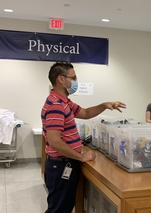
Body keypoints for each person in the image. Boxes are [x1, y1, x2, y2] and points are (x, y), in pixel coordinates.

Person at [41, 62, 126, 213]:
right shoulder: (56, 105)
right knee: (58, 209)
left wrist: (104, 105)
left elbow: (85, 113)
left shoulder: (64, 102)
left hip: (64, 164)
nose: (76, 82)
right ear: (61, 79)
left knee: (64, 207)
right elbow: (55, 142)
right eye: (73, 78)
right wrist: (80, 157)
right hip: (61, 166)